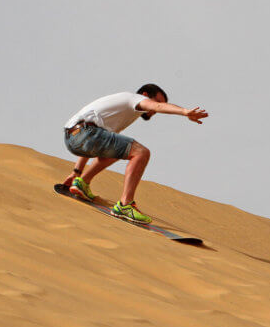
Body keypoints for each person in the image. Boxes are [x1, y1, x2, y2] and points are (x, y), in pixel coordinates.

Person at [61, 84, 208, 224]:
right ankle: (125, 205)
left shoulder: (120, 111)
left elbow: (93, 141)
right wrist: (184, 112)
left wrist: (76, 172)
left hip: (72, 137)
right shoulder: (134, 98)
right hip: (86, 134)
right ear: (145, 95)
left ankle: (81, 183)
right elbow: (157, 106)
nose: (155, 110)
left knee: (119, 149)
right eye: (156, 101)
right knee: (141, 153)